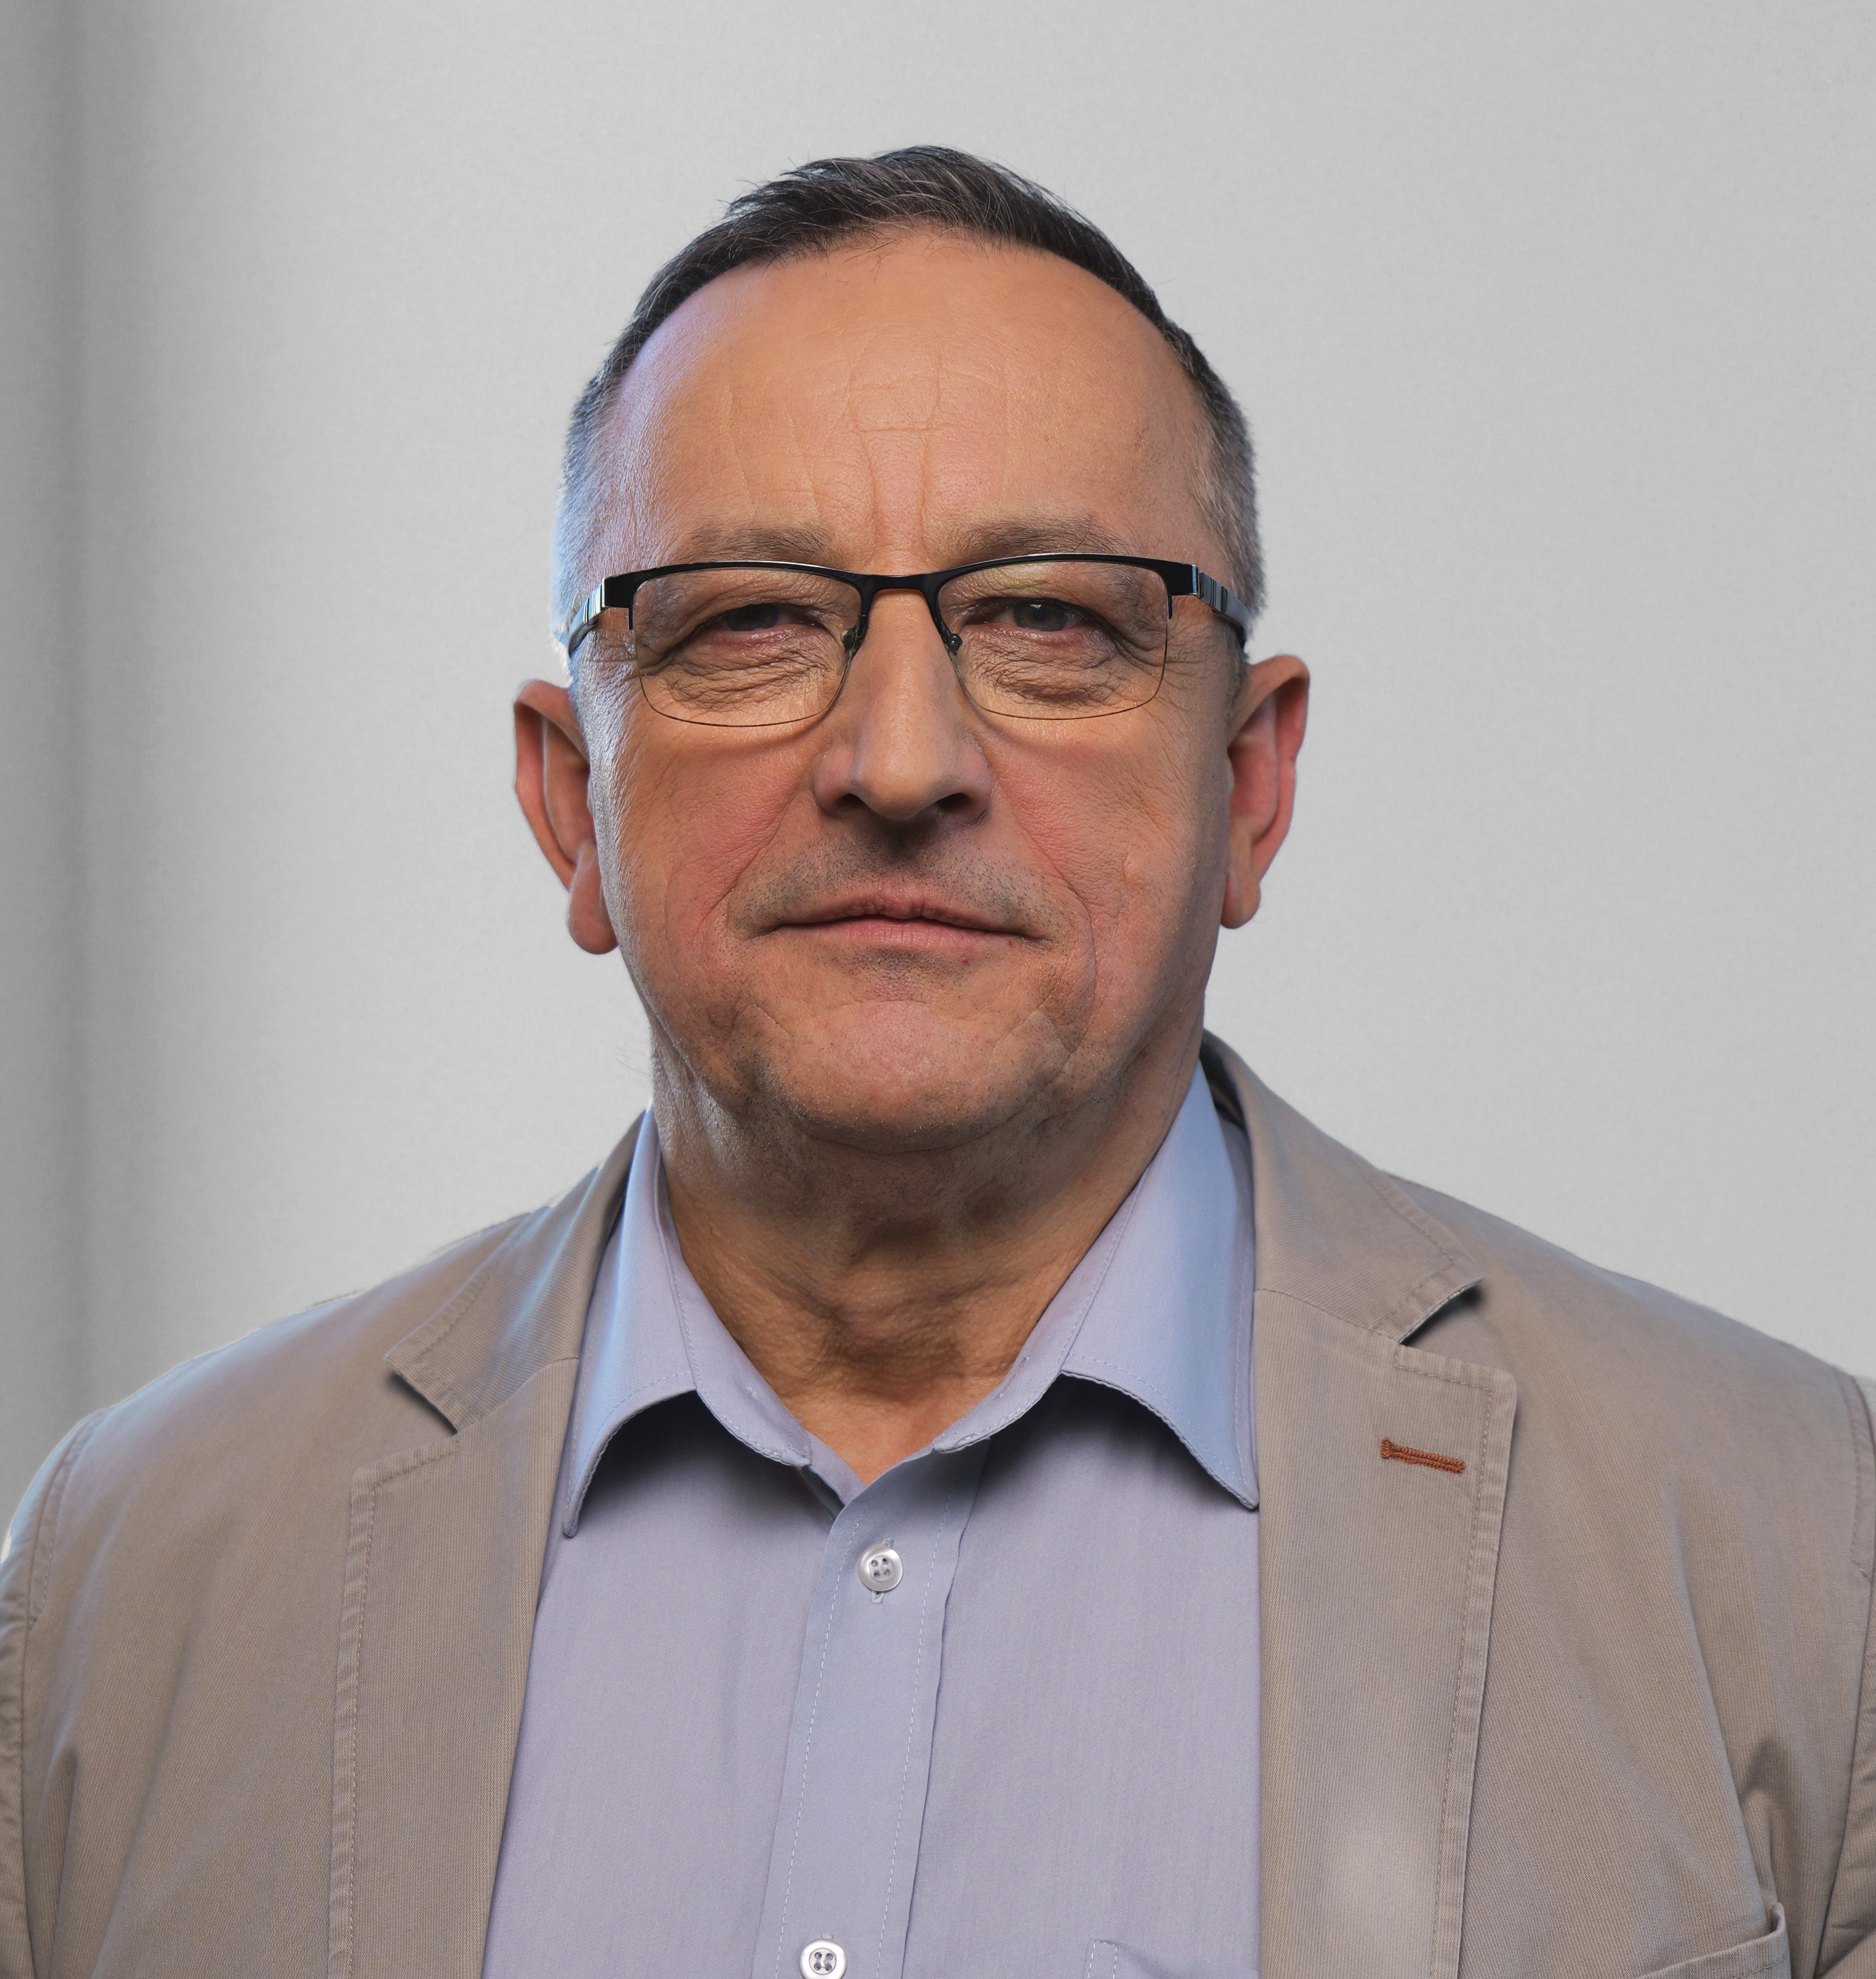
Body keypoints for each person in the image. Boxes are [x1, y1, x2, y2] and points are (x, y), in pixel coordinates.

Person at [2, 146, 1870, 1979]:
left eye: (1051, 619)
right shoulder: (122, 1583)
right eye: (748, 620)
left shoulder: (1795, 1544)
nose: (899, 761)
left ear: (1249, 783)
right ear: (571, 802)